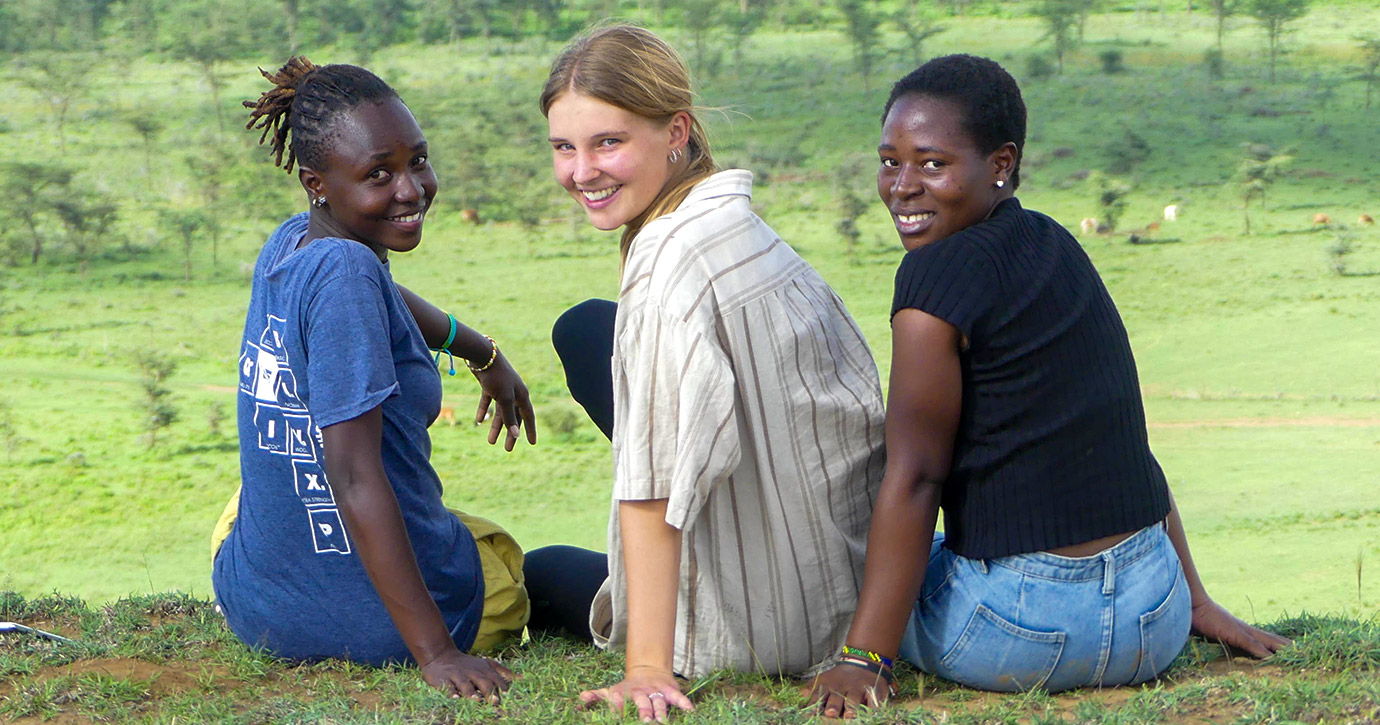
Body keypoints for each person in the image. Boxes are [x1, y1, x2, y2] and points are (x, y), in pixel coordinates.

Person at [805, 54, 1291, 717]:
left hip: (1016, 635)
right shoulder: (1060, 249)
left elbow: (916, 477)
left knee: (857, 560)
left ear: (1000, 164)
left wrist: (865, 658)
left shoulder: (932, 281)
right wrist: (1195, 602)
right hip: (1155, 621)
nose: (903, 186)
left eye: (932, 163)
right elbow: (1128, 443)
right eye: (890, 161)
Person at [533, 25, 886, 723]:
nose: (582, 171)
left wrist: (647, 669)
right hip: (849, 577)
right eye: (563, 147)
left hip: (775, 619)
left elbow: (652, 481)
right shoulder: (734, 220)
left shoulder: (667, 267)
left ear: (676, 132)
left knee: (542, 571)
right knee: (585, 328)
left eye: (608, 142)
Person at [210, 57, 537, 702]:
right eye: (378, 174)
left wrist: (482, 353)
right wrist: (438, 652)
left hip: (258, 607)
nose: (411, 188)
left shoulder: (290, 245)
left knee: (239, 505)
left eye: (417, 161)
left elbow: (385, 294)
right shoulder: (349, 278)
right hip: (376, 628)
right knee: (506, 563)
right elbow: (354, 475)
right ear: (318, 183)